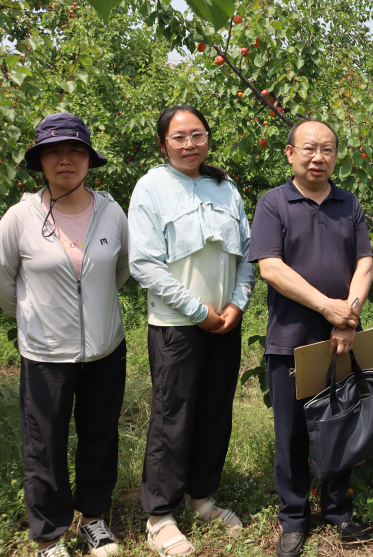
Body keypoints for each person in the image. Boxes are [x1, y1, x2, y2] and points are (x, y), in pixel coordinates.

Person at [0, 113, 129, 557]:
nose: (65, 159)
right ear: (40, 161)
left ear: (89, 159)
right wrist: (36, 315)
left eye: (75, 150)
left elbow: (120, 271)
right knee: (45, 444)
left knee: (100, 436)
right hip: (46, 354)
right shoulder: (20, 217)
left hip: (105, 349)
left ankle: (94, 519)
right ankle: (49, 535)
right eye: (54, 152)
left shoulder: (111, 212)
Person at [129, 105, 255, 556]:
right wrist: (197, 310)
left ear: (207, 138)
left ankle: (202, 497)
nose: (189, 144)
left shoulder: (226, 187)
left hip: (224, 324)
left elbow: (247, 256)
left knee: (215, 411)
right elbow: (144, 263)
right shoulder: (151, 187)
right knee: (173, 416)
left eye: (197, 135)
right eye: (179, 137)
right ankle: (159, 516)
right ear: (163, 143)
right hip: (177, 326)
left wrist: (237, 304)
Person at [248, 119, 373, 557]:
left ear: (336, 156)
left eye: (327, 150)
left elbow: (364, 264)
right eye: (309, 148)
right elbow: (271, 268)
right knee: (291, 436)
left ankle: (338, 510)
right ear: (290, 153)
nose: (318, 157)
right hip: (291, 339)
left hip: (342, 339)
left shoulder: (348, 202)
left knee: (341, 425)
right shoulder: (273, 203)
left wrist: (348, 316)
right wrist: (327, 307)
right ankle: (294, 518)